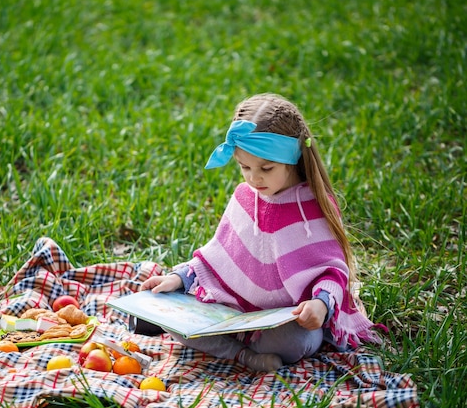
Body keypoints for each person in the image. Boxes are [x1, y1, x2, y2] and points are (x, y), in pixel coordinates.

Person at [140, 93, 381, 372]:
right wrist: (179, 278)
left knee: (298, 339)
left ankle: (245, 348)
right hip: (231, 311)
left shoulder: (313, 206)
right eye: (244, 167)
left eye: (267, 168)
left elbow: (331, 271)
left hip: (283, 320)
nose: (254, 178)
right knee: (175, 319)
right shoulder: (245, 196)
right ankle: (245, 357)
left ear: (293, 158)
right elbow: (217, 255)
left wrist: (320, 305)